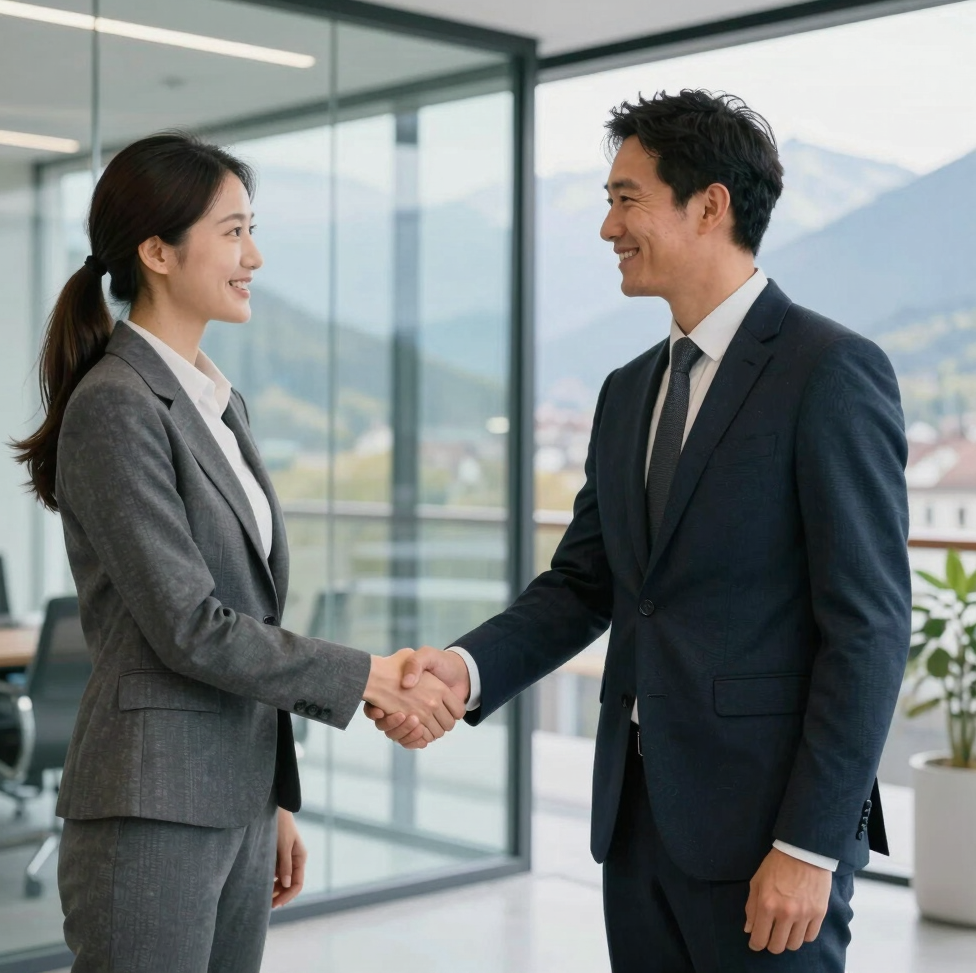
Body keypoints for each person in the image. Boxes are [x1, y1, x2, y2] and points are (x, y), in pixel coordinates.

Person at [366, 91, 912, 972]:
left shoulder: (831, 371)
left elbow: (872, 629)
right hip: (638, 826)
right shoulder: (627, 391)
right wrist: (461, 673)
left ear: (710, 205)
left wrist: (809, 848)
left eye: (626, 199)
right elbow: (587, 585)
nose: (606, 227)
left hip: (768, 838)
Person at [12, 131, 463, 973]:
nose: (253, 255)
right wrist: (370, 674)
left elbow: (247, 611)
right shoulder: (117, 403)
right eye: (232, 231)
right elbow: (191, 625)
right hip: (150, 805)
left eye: (250, 229)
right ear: (156, 251)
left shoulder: (216, 400)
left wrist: (272, 797)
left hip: (235, 801)